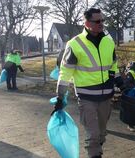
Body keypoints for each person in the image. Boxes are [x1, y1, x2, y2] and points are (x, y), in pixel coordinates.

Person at [53, 8, 123, 158]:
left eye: (102, 20)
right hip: (87, 98)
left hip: (106, 97)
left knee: (102, 133)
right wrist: (60, 97)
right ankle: (94, 154)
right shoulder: (75, 44)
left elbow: (113, 66)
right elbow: (65, 73)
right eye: (97, 21)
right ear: (86, 22)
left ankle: (97, 149)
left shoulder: (109, 42)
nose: (101, 24)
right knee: (93, 134)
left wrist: (119, 81)